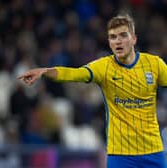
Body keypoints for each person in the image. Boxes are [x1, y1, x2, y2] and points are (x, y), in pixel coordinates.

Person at [18, 14, 167, 168]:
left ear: (134, 39)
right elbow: (74, 74)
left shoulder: (154, 64)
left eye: (123, 35)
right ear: (109, 42)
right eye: (113, 37)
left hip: (153, 152)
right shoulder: (103, 67)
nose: (118, 41)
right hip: (121, 154)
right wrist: (45, 71)